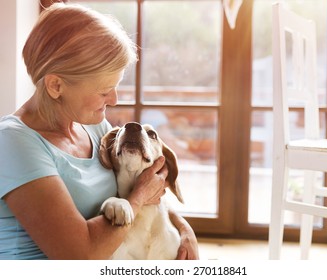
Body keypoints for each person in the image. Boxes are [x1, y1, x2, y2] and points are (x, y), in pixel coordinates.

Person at [0, 3, 199, 260]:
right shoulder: (13, 143)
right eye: (104, 91)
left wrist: (183, 228)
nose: (114, 99)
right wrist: (138, 197)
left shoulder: (93, 127)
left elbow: (144, 188)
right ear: (56, 85)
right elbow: (79, 255)